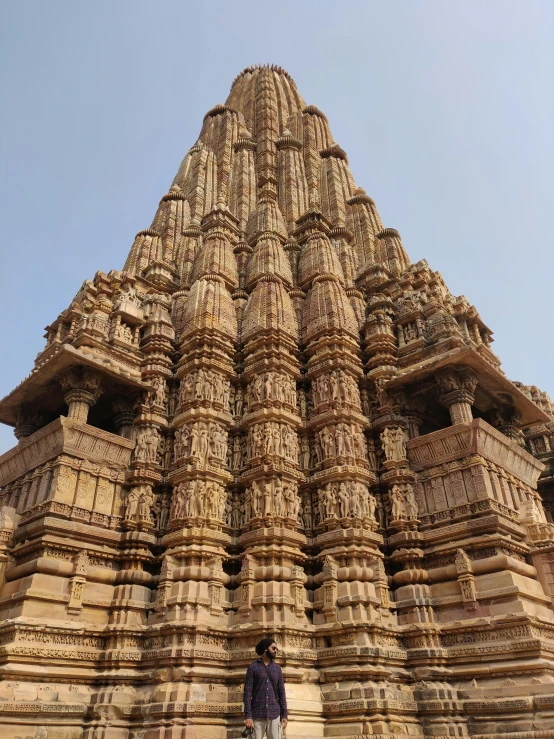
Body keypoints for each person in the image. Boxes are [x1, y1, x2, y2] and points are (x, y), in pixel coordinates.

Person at [243, 637, 288, 738]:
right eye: (273, 648)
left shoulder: (277, 669)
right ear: (265, 649)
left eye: (276, 648)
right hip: (257, 715)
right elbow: (247, 693)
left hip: (274, 714)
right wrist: (248, 716)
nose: (276, 650)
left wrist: (284, 715)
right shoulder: (253, 668)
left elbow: (281, 692)